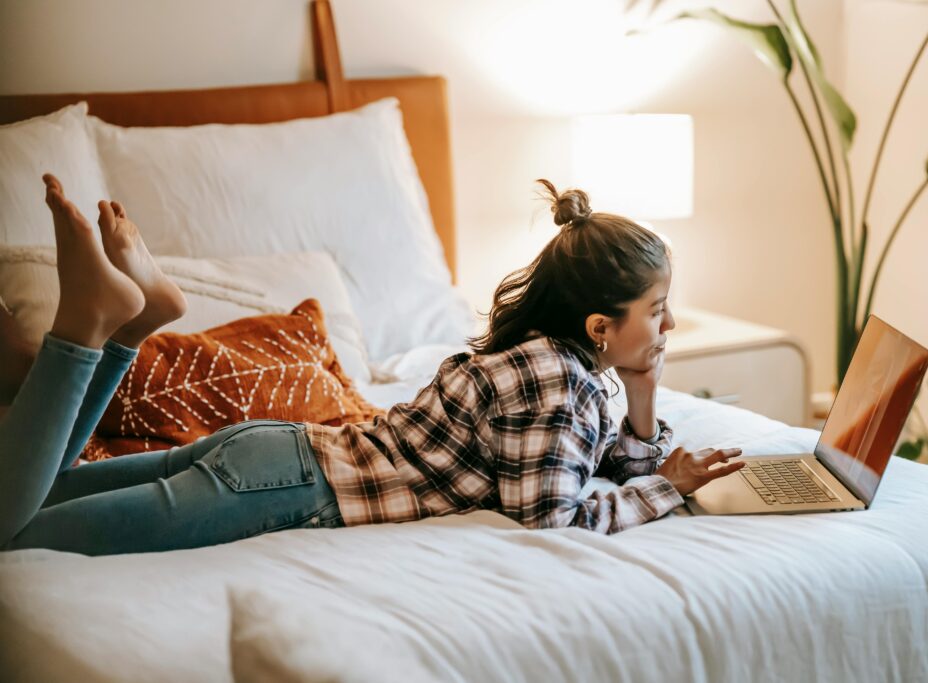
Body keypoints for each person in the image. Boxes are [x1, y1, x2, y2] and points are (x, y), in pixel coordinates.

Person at [1, 177, 743, 556]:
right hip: (283, 484)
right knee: (13, 531)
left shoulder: (545, 362)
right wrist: (665, 490)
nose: (671, 323)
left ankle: (134, 325)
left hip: (276, 448)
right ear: (599, 326)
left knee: (38, 494)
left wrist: (642, 386)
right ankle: (88, 330)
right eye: (659, 308)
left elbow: (596, 463)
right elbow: (553, 514)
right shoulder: (556, 381)